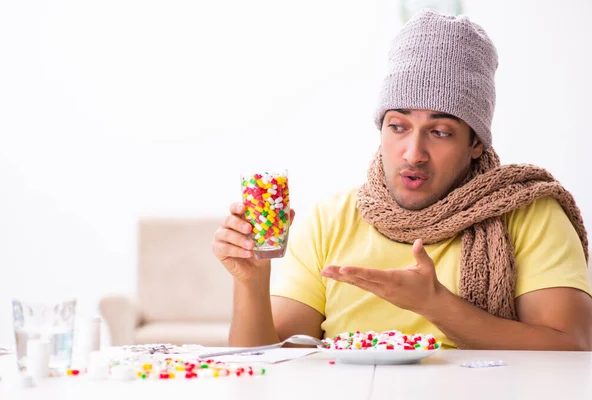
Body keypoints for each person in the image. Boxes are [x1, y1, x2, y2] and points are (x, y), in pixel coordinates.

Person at [212, 9, 592, 350]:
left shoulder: (527, 213)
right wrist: (251, 281)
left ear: (475, 142)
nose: (413, 153)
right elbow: (269, 364)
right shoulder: (330, 220)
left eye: (440, 132)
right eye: (398, 126)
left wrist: (435, 305)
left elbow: (573, 346)